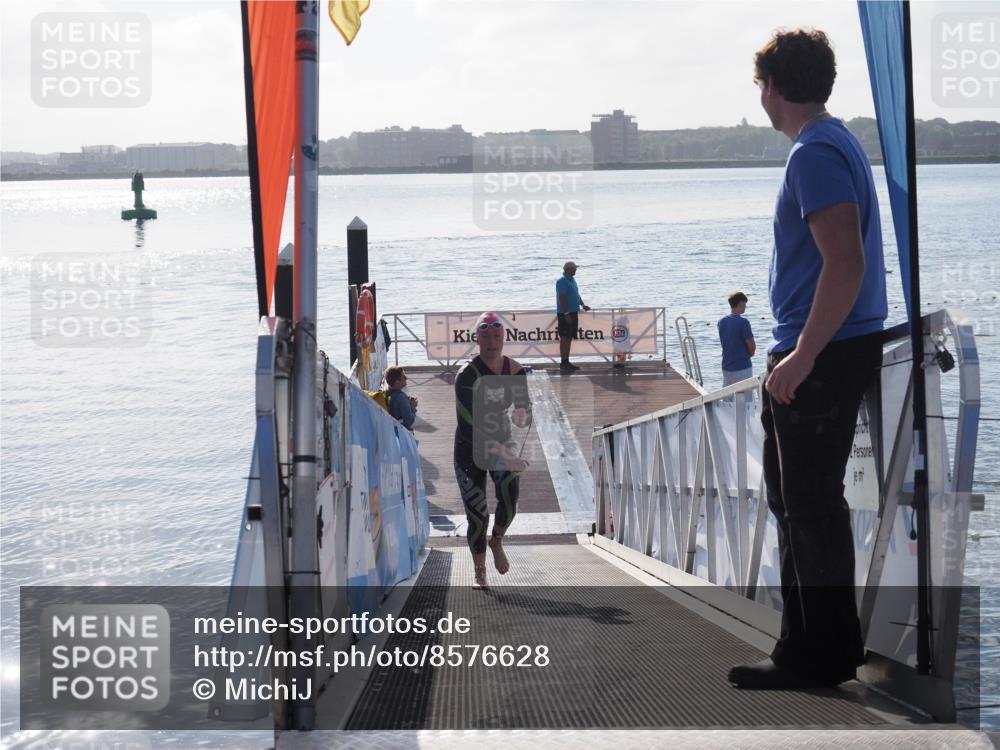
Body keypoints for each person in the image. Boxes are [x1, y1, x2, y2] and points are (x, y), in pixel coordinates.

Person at [728, 28, 887, 690]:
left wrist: (801, 356)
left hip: (819, 353)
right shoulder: (836, 140)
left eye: (759, 84)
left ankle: (810, 655)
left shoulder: (813, 155)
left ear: (772, 87)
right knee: (807, 504)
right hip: (831, 348)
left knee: (807, 506)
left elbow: (843, 264)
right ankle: (823, 646)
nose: (759, 97)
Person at [454, 312, 531, 589]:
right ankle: (479, 570)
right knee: (477, 514)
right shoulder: (467, 376)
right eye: (485, 337)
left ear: (504, 338)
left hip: (501, 438)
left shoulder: (516, 371)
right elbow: (468, 427)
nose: (491, 342)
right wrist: (504, 452)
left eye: (497, 336)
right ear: (476, 339)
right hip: (469, 446)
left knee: (510, 495)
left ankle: (497, 539)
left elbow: (525, 410)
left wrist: (522, 414)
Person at [555, 261, 591, 372]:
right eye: (574, 268)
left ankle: (567, 361)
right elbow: (562, 298)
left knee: (569, 337)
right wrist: (566, 314)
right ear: (568, 269)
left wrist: (582, 304)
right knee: (564, 338)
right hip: (565, 313)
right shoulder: (562, 281)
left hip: (574, 312)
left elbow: (576, 293)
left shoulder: (572, 280)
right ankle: (563, 362)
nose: (576, 270)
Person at [718, 291, 756, 385]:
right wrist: (749, 355)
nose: (745, 306)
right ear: (740, 303)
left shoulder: (721, 321)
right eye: (744, 303)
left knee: (728, 397)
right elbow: (752, 346)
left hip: (726, 365)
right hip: (742, 366)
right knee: (746, 396)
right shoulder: (743, 322)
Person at [384, 365, 417, 431]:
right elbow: (409, 421)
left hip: (391, 429)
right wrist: (413, 407)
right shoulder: (401, 398)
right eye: (404, 377)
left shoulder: (386, 393)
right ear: (397, 381)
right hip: (401, 433)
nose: (406, 378)